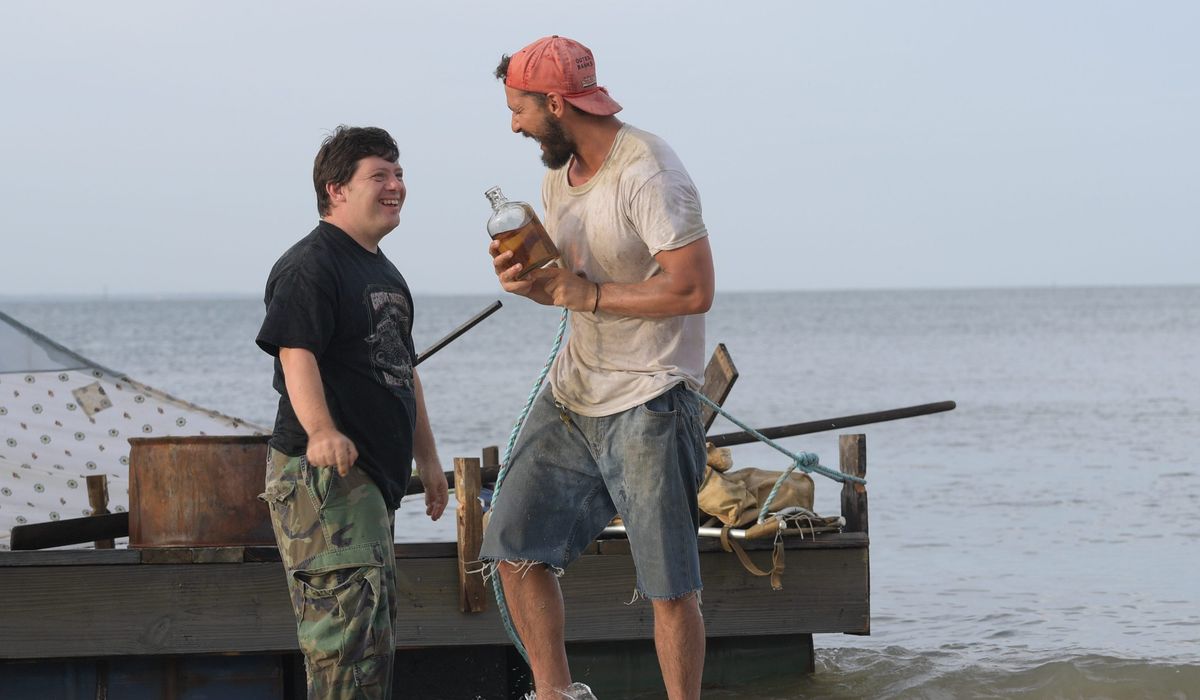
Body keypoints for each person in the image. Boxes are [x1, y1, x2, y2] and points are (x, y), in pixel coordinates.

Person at [479, 36, 715, 700]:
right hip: (573, 390)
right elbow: (568, 286)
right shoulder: (556, 179)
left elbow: (694, 289)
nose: (514, 126)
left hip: (650, 397)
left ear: (556, 103)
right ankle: (556, 696)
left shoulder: (650, 172)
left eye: (519, 110)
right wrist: (533, 285)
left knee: (669, 587)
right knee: (512, 547)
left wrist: (590, 296)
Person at [256, 125, 449, 699]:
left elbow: (403, 370)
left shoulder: (384, 271)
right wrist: (321, 431)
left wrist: (428, 462)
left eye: (399, 174)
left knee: (372, 640)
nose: (396, 186)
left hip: (371, 484)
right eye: (379, 175)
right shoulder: (311, 264)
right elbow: (295, 352)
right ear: (336, 189)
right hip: (324, 480)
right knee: (344, 645)